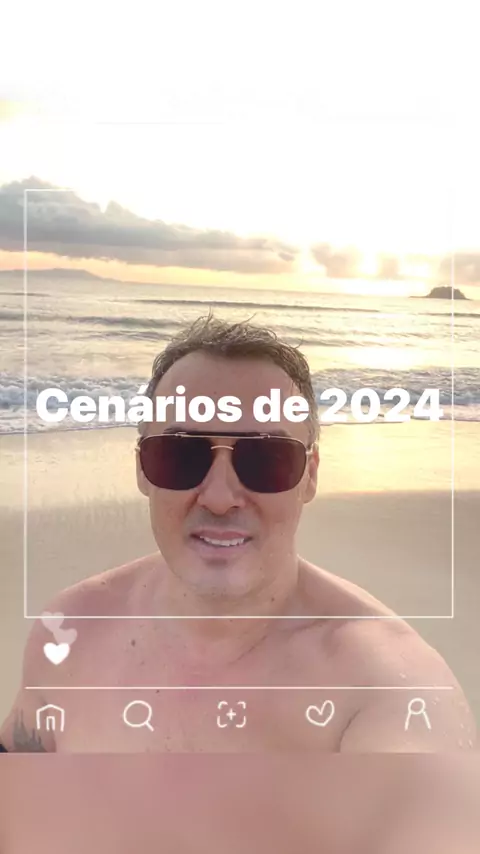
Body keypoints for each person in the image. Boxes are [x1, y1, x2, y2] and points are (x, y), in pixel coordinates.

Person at [0, 315, 476, 754]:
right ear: (142, 468)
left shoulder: (382, 694)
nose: (219, 497)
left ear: (310, 475)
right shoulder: (71, 630)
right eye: (180, 455)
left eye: (266, 459)